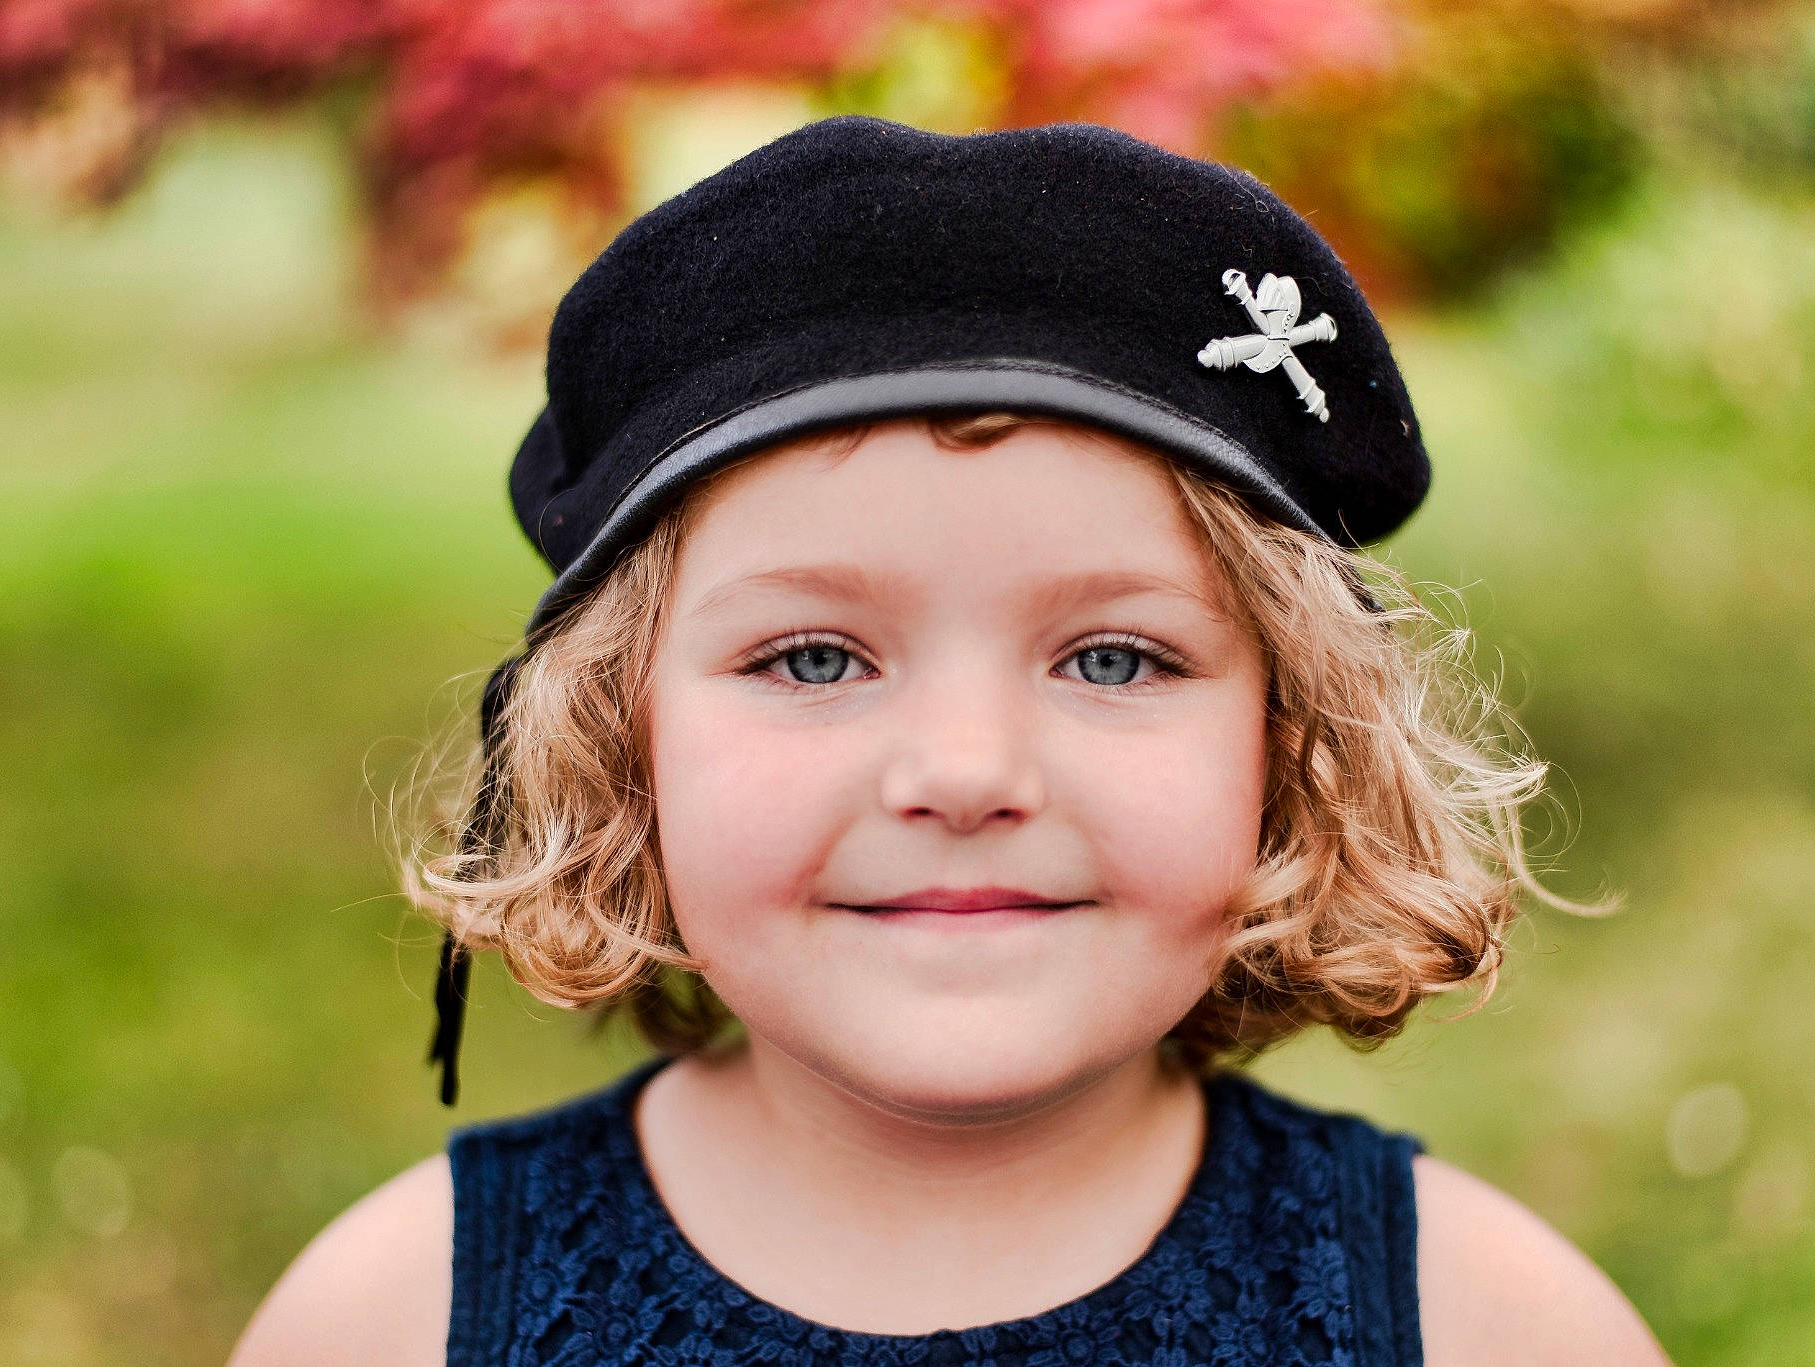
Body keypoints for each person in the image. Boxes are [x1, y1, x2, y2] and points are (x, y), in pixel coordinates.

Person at [229, 114, 1672, 1366]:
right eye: (813, 658)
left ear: (1291, 745)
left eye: (1114, 658)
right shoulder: (394, 1324)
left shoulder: (1488, 1328)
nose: (969, 775)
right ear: (619, 740)